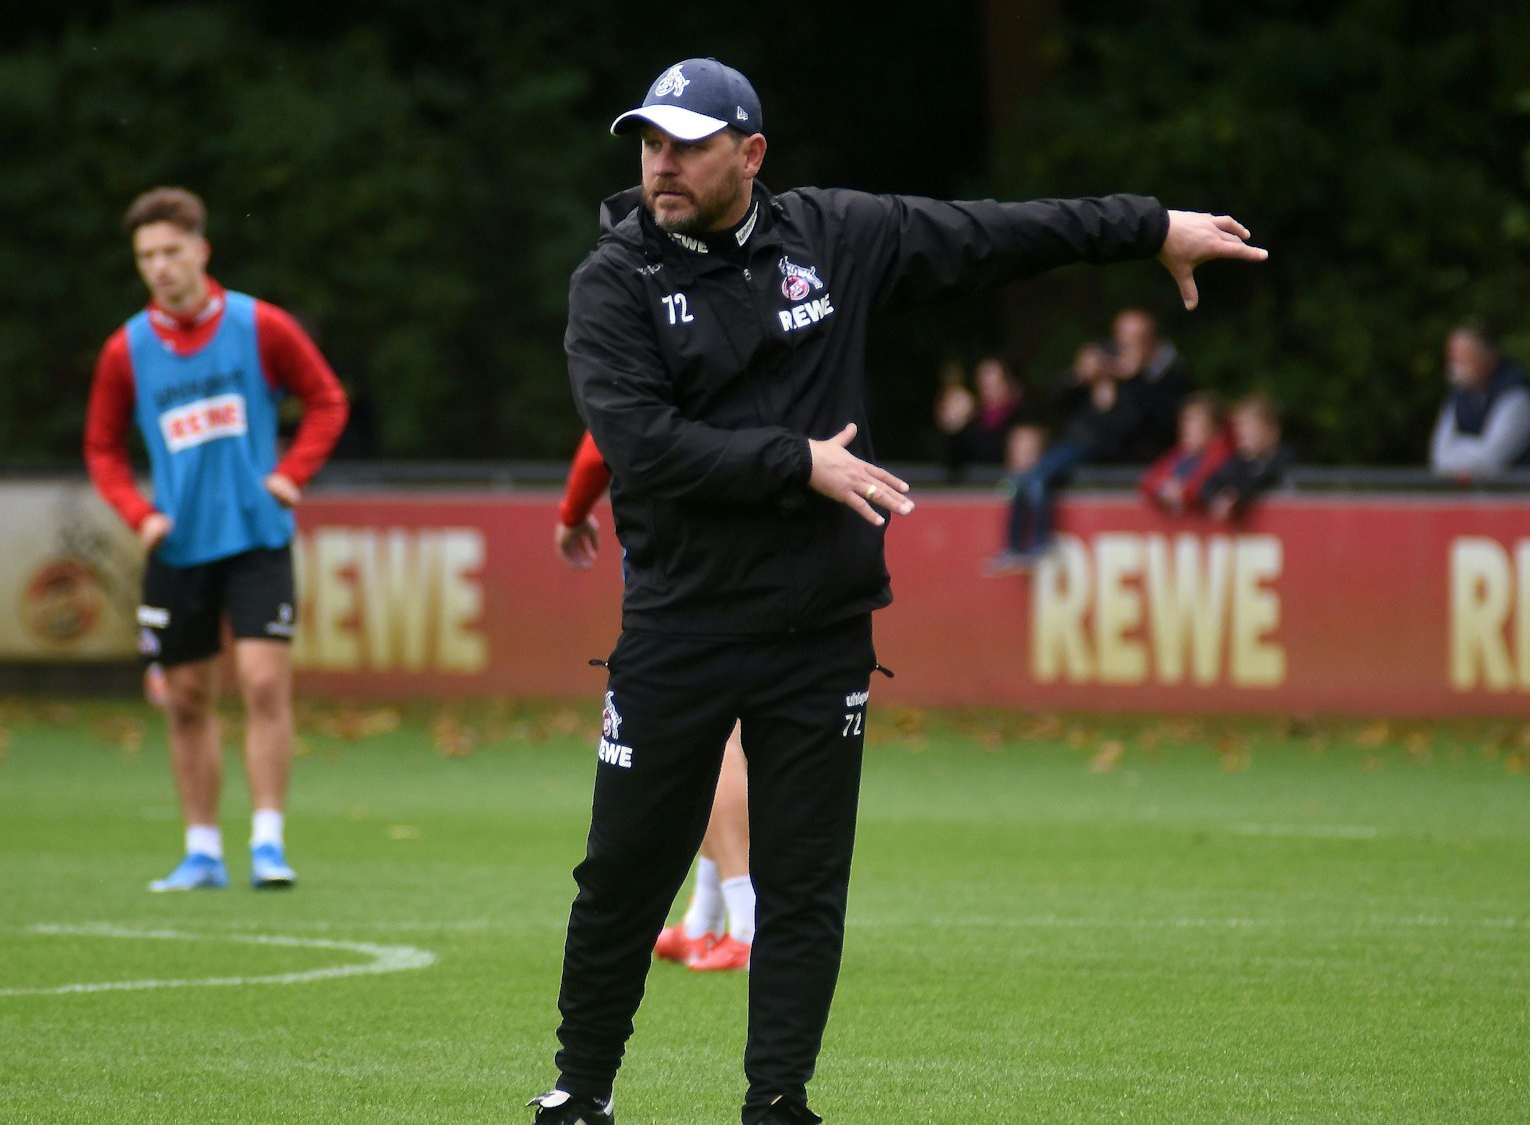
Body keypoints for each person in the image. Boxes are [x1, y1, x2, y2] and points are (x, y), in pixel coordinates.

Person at [529, 57, 1265, 1125]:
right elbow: (639, 448)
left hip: (818, 630)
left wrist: (1145, 227)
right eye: (649, 143)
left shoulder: (832, 236)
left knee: (803, 890)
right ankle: (578, 1094)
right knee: (619, 883)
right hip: (678, 628)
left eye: (686, 144)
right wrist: (799, 462)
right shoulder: (612, 281)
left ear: (751, 154)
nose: (661, 163)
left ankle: (776, 1102)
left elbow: (992, 233)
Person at [84, 187, 348, 892]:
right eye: (147, 256)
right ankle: (202, 849)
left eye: (172, 250)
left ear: (201, 249)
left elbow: (327, 399)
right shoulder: (128, 349)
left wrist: (293, 473)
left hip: (257, 537)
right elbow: (102, 446)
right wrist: (138, 513)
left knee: (263, 682)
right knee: (185, 697)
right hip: (177, 550)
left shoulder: (258, 324)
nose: (161, 266)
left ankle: (267, 840)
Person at [556, 432, 757, 973]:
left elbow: (604, 433)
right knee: (716, 727)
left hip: (690, 556)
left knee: (715, 731)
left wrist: (573, 510)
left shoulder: (652, 352)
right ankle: (706, 919)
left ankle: (746, 924)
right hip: (732, 540)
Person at [988, 340, 1143, 572]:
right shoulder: (1078, 392)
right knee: (1024, 482)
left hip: (1090, 451)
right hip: (1070, 447)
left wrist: (1115, 378)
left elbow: (1122, 427)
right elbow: (1051, 398)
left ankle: (1038, 544)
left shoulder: (1124, 392)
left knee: (1034, 480)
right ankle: (1015, 547)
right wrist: (1078, 375)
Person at [1429, 321, 1530, 479]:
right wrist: (1472, 455)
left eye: (1464, 357)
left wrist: (1460, 449)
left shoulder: (1516, 393)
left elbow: (1491, 461)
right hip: (1484, 498)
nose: (1455, 366)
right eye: (1453, 358)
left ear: (1486, 355)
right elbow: (1439, 457)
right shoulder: (1458, 396)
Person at [1111, 307, 1194, 461]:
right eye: (1124, 339)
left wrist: (1133, 378)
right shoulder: (1110, 364)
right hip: (1104, 455)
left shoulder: (1173, 375)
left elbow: (1155, 426)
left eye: (1138, 339)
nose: (1130, 346)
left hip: (1152, 458)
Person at [935, 356, 1028, 481]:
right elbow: (951, 464)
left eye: (994, 385)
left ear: (1009, 384)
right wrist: (953, 428)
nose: (988, 391)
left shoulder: (1022, 419)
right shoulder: (972, 422)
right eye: (984, 385)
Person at [1140, 392, 1232, 514]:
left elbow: (1205, 483)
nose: (1186, 428)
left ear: (1214, 429)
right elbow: (1149, 480)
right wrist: (1163, 490)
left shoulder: (1221, 456)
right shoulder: (1180, 454)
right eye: (1185, 421)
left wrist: (1183, 493)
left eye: (1194, 421)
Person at [1202, 393, 1289, 521]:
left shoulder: (1285, 458)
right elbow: (1211, 483)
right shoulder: (1238, 462)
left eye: (1250, 426)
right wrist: (1216, 497)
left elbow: (1266, 478)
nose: (1242, 434)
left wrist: (1236, 494)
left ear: (1272, 430)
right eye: (1240, 427)